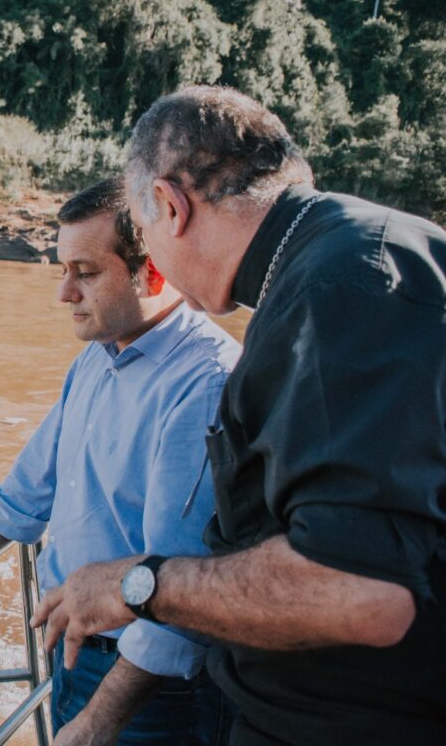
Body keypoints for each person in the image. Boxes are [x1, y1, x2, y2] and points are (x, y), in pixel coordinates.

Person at [32, 85, 446, 745]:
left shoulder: (343, 285)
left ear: (169, 206)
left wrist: (138, 583)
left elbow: (365, 593)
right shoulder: (335, 260)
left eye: (142, 235)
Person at [0, 177, 241, 744]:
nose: (65, 294)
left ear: (152, 271)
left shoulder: (205, 384)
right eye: (63, 271)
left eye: (85, 273)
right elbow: (30, 486)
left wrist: (96, 723)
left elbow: (182, 595)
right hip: (70, 649)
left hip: (147, 686)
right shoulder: (95, 358)